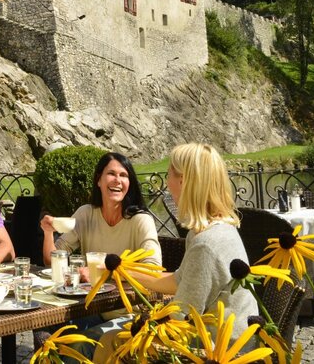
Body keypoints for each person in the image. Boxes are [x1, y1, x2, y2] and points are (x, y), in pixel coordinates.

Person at [91, 142, 258, 363]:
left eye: (169, 172)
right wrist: (121, 271)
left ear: (183, 181)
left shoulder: (206, 244)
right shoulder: (213, 229)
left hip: (221, 351)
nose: (166, 181)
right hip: (223, 337)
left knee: (108, 340)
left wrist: (146, 322)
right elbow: (178, 282)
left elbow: (181, 315)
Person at [40, 151, 162, 270]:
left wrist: (101, 271)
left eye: (123, 175)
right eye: (111, 173)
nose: (117, 180)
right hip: (90, 285)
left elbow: (154, 268)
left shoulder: (141, 220)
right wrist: (48, 232)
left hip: (127, 285)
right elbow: (51, 261)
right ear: (99, 180)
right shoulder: (85, 214)